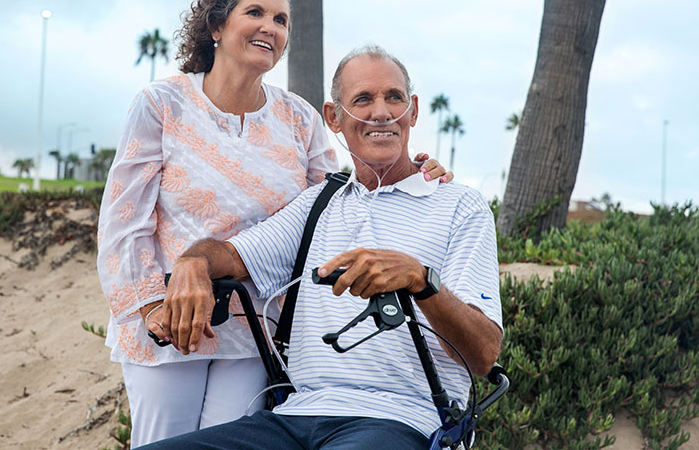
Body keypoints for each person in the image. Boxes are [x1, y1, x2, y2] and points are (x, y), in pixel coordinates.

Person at [96, 0, 453, 447]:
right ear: (218, 26)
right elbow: (123, 225)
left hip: (255, 328)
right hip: (170, 321)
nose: (270, 26)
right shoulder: (162, 104)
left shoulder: (299, 117)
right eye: (256, 12)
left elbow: (342, 202)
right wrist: (152, 306)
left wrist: (418, 171)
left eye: (281, 20)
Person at [142, 45, 503, 450]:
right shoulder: (320, 202)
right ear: (334, 117)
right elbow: (231, 256)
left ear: (413, 111)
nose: (381, 112)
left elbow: (484, 354)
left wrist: (421, 280)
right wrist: (193, 262)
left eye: (394, 97)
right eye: (363, 99)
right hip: (292, 417)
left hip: (401, 420)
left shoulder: (461, 205)